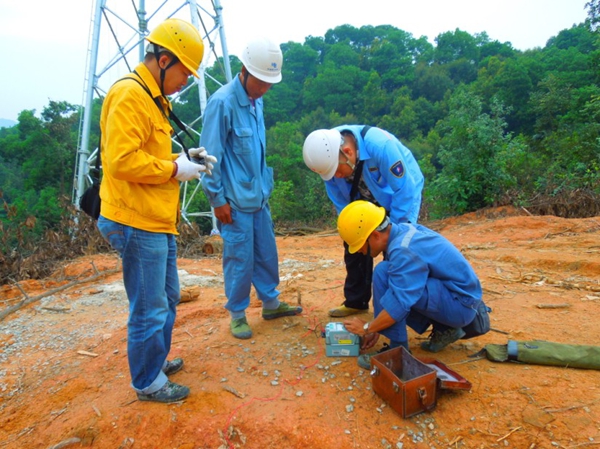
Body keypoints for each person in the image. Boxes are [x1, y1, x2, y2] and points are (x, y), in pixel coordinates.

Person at [97, 18, 216, 403]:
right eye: (185, 71)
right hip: (135, 218)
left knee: (165, 295)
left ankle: (155, 361)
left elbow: (144, 151)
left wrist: (181, 158)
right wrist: (173, 169)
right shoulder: (130, 95)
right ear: (164, 59)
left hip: (153, 218)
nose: (186, 81)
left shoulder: (152, 97)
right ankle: (147, 382)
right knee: (149, 307)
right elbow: (120, 161)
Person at [200, 37, 302, 340]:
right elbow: (208, 158)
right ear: (245, 70)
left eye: (269, 83)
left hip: (259, 196)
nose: (265, 89)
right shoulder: (222, 103)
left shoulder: (258, 100)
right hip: (233, 200)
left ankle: (270, 303)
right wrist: (217, 200)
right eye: (261, 82)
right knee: (239, 259)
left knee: (266, 253)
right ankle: (238, 314)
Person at [337, 201, 489, 369]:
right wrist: (377, 328)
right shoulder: (402, 231)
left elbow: (400, 304)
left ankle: (398, 353)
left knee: (387, 278)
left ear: (375, 235)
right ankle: (445, 329)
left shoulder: (403, 250)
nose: (360, 251)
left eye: (360, 245)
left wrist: (368, 327)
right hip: (454, 297)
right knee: (384, 272)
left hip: (460, 306)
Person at [302, 126, 424, 318]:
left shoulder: (381, 146)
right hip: (364, 199)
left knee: (396, 248)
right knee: (355, 244)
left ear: (348, 152)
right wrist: (352, 228)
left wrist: (395, 231)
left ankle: (397, 308)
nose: (336, 177)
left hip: (398, 195)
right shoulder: (328, 159)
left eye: (337, 171)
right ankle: (356, 301)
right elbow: (343, 205)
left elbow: (404, 191)